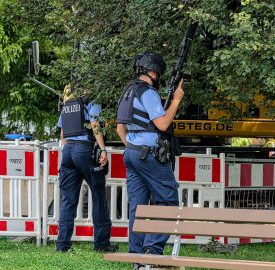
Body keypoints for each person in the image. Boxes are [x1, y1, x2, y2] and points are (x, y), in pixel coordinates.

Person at [116, 52, 184, 269]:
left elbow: (120, 129)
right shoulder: (149, 93)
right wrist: (176, 100)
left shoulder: (128, 93)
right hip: (148, 155)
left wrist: (135, 148)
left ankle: (137, 259)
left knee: (138, 208)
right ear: (153, 72)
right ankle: (152, 252)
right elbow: (163, 124)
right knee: (168, 201)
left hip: (131, 153)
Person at [56, 85, 118, 253]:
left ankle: (62, 245)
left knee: (68, 200)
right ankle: (102, 244)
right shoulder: (91, 101)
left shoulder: (67, 105)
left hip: (68, 150)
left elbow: (62, 134)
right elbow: (94, 124)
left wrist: (66, 153)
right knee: (98, 195)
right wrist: (102, 148)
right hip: (85, 149)